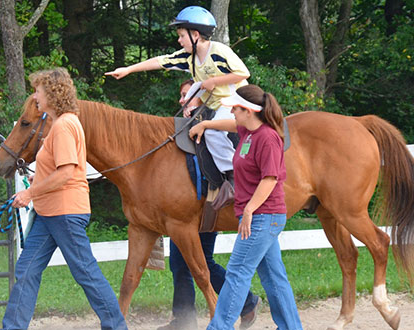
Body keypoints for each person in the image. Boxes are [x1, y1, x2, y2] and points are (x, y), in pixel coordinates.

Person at [1, 68, 128, 330]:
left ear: (52, 94)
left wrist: (29, 193)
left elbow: (67, 172)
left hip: (65, 212)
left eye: (38, 90)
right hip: (51, 212)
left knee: (86, 273)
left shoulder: (64, 126)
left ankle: (116, 326)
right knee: (27, 270)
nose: (35, 96)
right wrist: (38, 180)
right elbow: (58, 168)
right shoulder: (62, 124)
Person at [189, 85, 303, 330]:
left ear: (249, 111)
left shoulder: (267, 138)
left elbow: (270, 178)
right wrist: (206, 125)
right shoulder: (248, 132)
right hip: (263, 216)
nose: (230, 110)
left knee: (237, 272)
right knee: (273, 278)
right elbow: (231, 126)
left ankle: (218, 327)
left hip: (263, 216)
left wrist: (249, 210)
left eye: (235, 107)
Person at [156, 79, 261, 330]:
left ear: (202, 98)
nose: (182, 100)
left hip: (207, 208)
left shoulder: (213, 127)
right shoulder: (185, 130)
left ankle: (247, 302)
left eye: (187, 95)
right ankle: (183, 319)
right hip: (187, 211)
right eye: (181, 95)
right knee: (180, 262)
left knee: (202, 261)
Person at [106, 5, 250, 186]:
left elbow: (244, 73)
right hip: (214, 105)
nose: (179, 40)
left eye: (182, 36)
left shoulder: (219, 51)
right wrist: (129, 69)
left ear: (195, 35)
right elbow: (161, 61)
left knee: (211, 131)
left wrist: (213, 82)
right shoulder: (188, 57)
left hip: (234, 103)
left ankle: (234, 176)